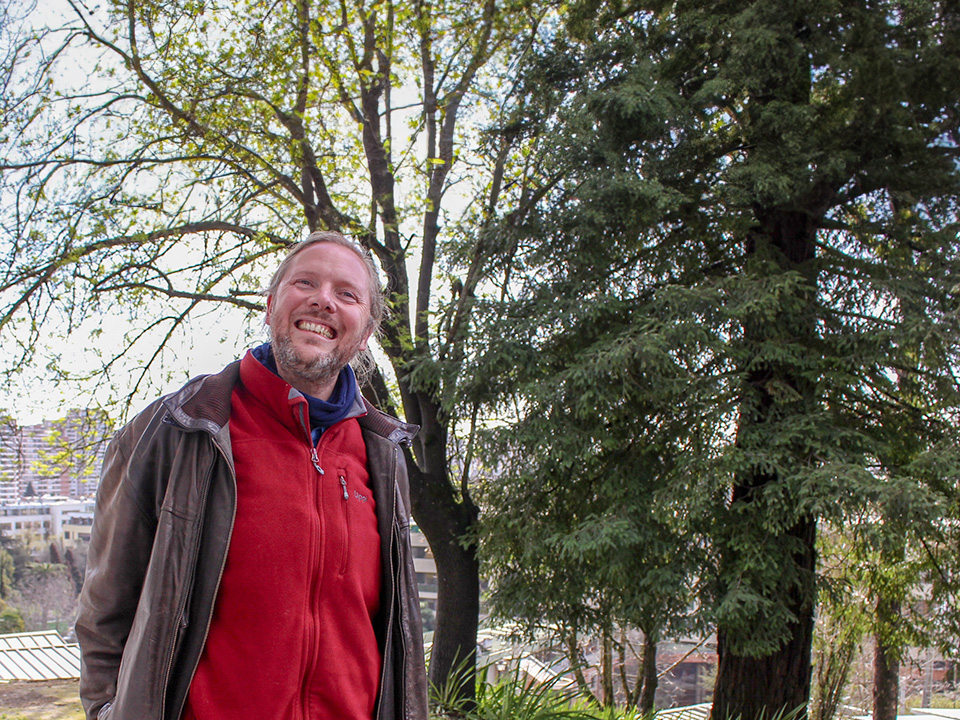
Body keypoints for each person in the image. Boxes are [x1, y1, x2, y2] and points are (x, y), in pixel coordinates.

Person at [75, 231, 428, 720]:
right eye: (306, 282)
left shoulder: (383, 454)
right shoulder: (176, 430)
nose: (323, 300)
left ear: (365, 332)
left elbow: (395, 630)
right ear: (270, 305)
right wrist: (106, 711)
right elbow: (105, 612)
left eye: (347, 294)